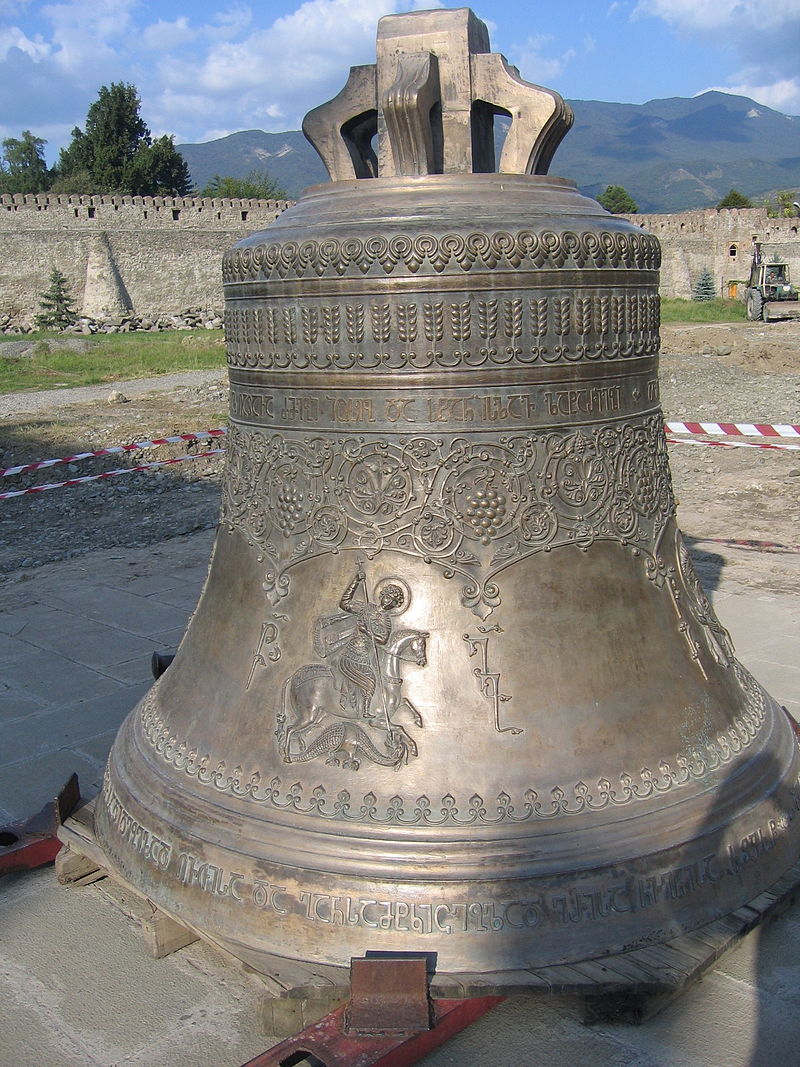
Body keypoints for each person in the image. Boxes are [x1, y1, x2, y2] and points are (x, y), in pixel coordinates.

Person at [336, 568, 405, 719]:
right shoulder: (366, 608)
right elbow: (345, 604)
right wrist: (356, 581)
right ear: (383, 596)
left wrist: (367, 632)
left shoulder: (386, 621)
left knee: (371, 681)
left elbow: (383, 640)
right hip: (351, 653)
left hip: (365, 657)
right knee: (368, 681)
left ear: (395, 604)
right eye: (388, 596)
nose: (389, 601)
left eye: (393, 600)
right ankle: (356, 708)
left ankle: (364, 711)